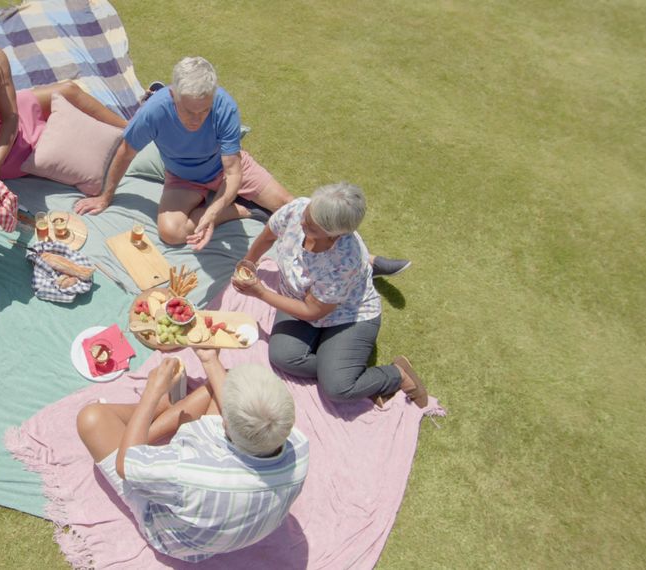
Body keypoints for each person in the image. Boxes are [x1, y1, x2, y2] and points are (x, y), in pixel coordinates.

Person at [76, 349, 309, 562]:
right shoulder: (299, 447)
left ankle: (153, 415)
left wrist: (152, 394)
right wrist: (210, 359)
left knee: (91, 418)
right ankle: (149, 422)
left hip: (177, 540)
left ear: (225, 424)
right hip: (223, 517)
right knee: (225, 379)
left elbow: (126, 466)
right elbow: (226, 392)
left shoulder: (187, 472)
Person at [233, 182, 429, 407]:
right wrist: (248, 262)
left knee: (338, 388)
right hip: (299, 299)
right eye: (307, 214)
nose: (302, 222)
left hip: (348, 315)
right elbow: (269, 234)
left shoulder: (346, 259)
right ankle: (337, 364)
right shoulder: (298, 210)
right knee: (283, 357)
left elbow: (312, 311)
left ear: (335, 236)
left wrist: (260, 293)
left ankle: (396, 374)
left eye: (312, 227)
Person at [73, 56, 294, 251]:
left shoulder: (225, 107)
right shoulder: (153, 112)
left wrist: (212, 213)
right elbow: (126, 151)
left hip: (224, 169)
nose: (197, 119)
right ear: (172, 94)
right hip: (183, 178)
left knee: (289, 205)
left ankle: (221, 204)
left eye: (204, 110)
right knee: (171, 233)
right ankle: (245, 210)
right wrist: (105, 196)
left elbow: (233, 172)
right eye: (189, 111)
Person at [0, 6, 128, 181]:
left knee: (69, 90)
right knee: (66, 146)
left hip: (12, 120)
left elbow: (11, 116)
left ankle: (132, 130)